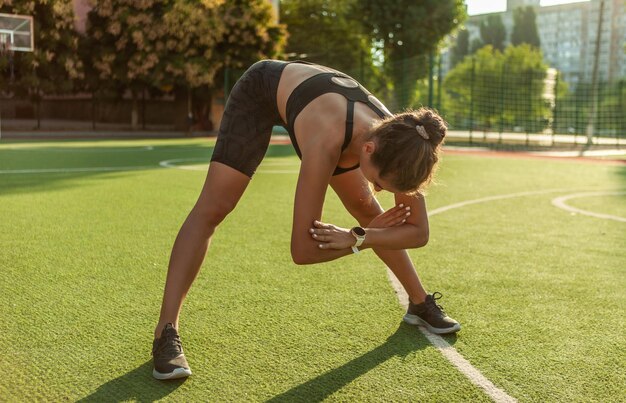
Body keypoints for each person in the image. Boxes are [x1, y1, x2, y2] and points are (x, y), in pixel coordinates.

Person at [151, 60, 460, 380]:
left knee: (367, 210)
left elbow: (419, 232)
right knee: (215, 208)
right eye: (381, 182)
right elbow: (302, 249)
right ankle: (166, 331)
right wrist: (361, 238)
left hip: (333, 113)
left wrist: (361, 236)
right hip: (262, 92)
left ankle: (419, 303)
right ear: (368, 149)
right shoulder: (326, 141)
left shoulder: (407, 141)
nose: (379, 190)